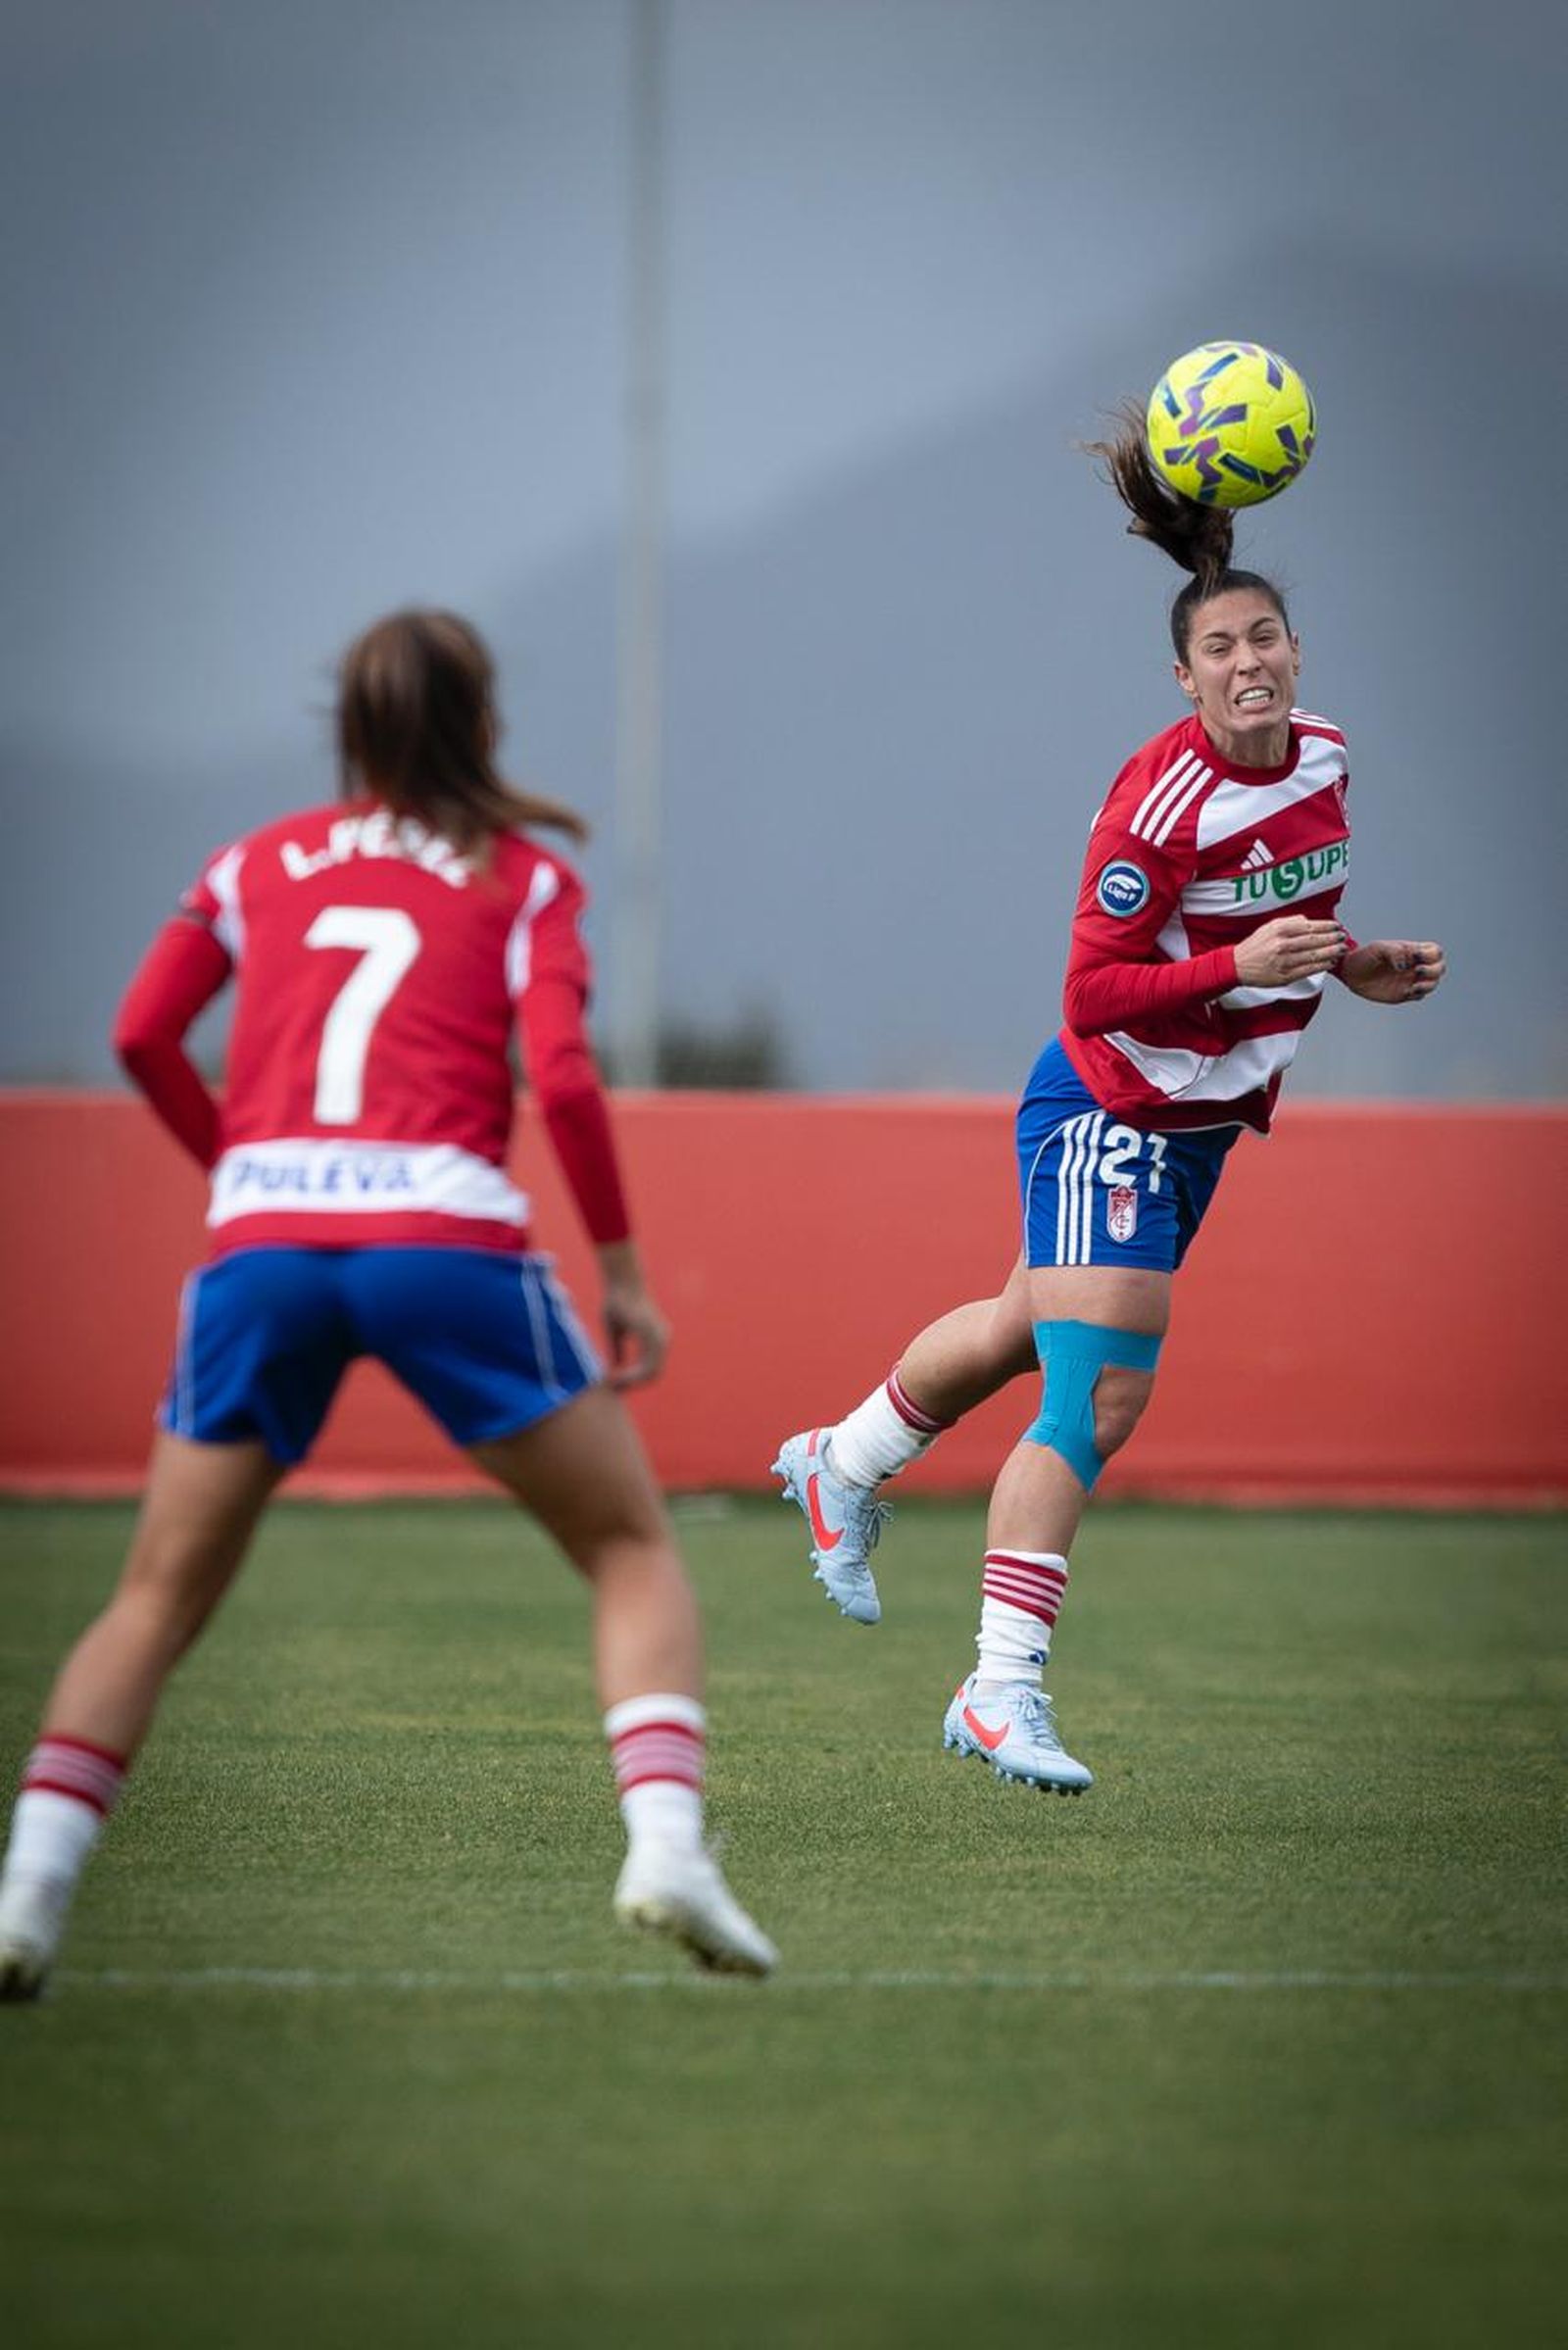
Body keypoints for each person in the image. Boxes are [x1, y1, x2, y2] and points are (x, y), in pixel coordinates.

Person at [0, 609, 776, 1998]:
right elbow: (571, 1079)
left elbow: (138, 1030)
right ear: (480, 725)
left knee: (154, 1597)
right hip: (444, 1241)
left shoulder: (254, 862)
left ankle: (29, 1892)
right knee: (629, 1546)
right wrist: (618, 1270)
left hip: (265, 1245)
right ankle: (664, 1846)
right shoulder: (524, 878)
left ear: (349, 731)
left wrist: (246, 1167)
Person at [774, 413, 1446, 1793]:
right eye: (1221, 648)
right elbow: (1096, 989)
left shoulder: (1322, 758)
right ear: (1184, 674)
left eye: (1265, 639)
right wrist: (1235, 968)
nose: (1249, 661)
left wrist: (1354, 963)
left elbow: (1288, 921)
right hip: (1111, 1106)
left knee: (1028, 1322)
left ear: (1297, 654)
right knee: (1100, 1392)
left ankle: (839, 1461)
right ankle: (997, 1690)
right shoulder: (1161, 801)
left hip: (1200, 1124)